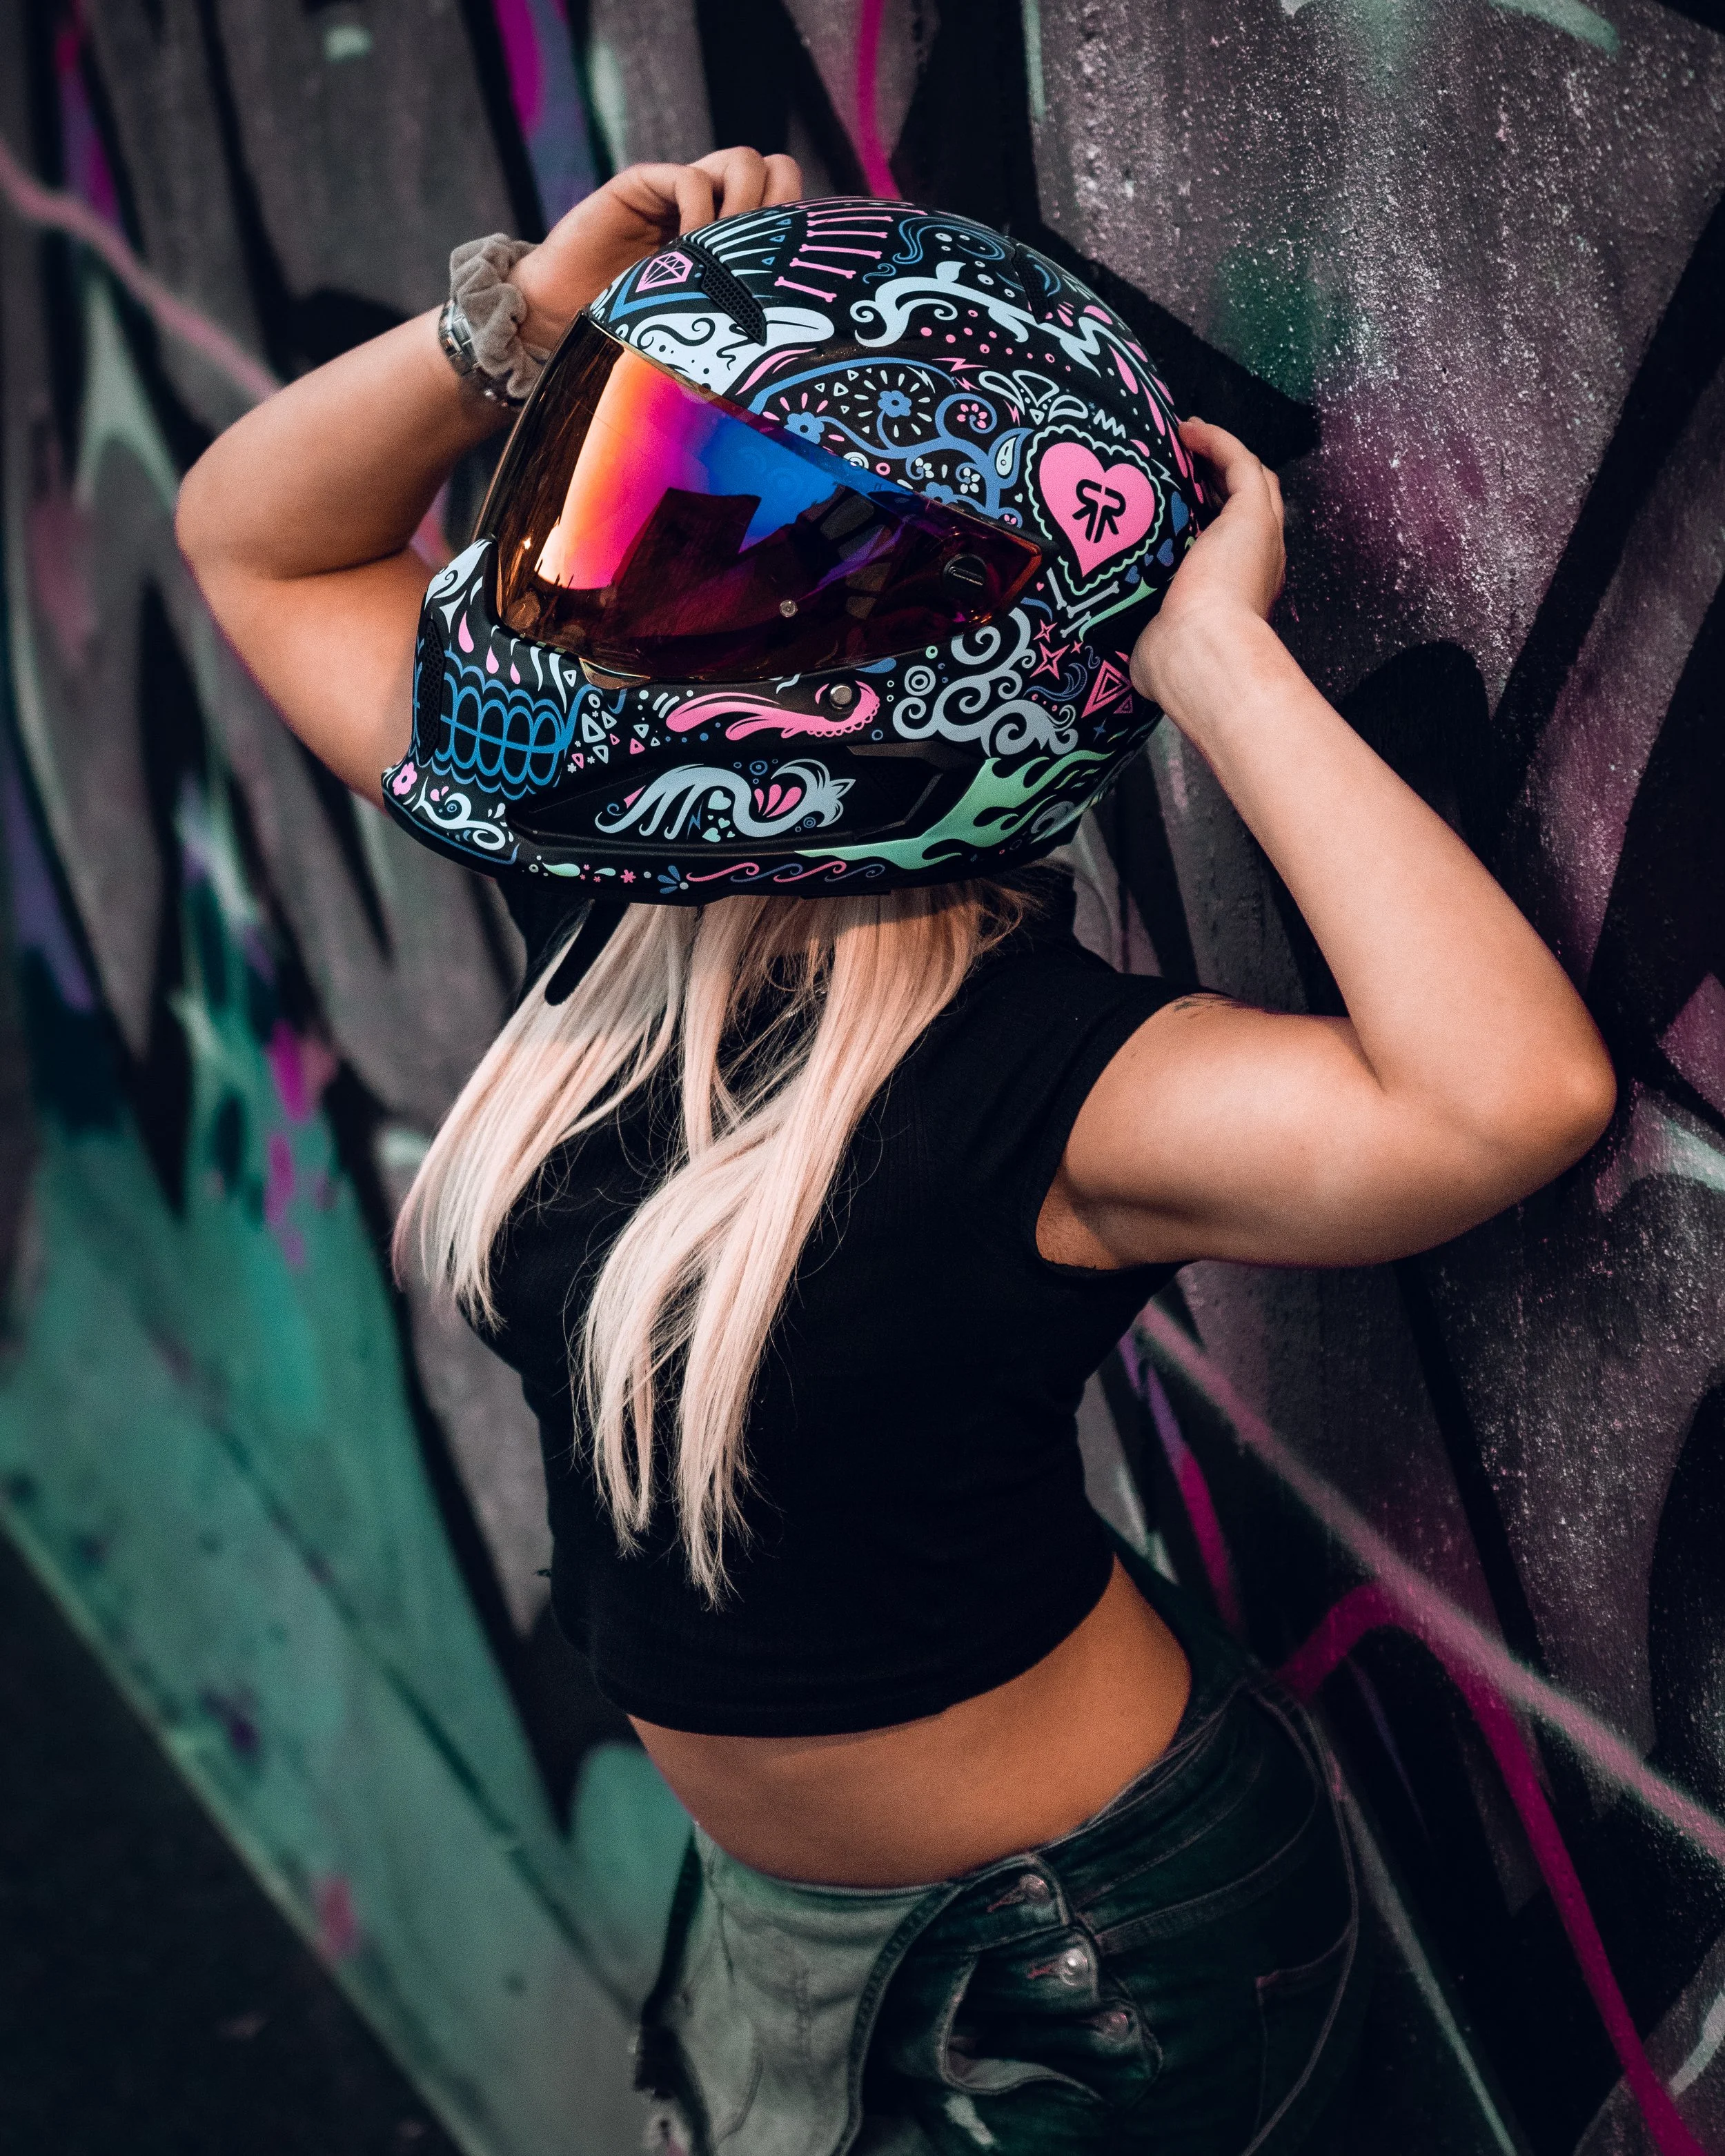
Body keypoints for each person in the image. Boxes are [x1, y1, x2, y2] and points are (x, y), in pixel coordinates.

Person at [176, 150, 1615, 2156]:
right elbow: (247, 538)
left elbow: (1507, 1096)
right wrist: (523, 319)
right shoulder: (618, 889)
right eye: (628, 496)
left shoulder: (1039, 1090)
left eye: (720, 555)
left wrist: (1208, 661)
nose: (604, 602)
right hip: (785, 1917)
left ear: (944, 666)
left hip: (1067, 1962)